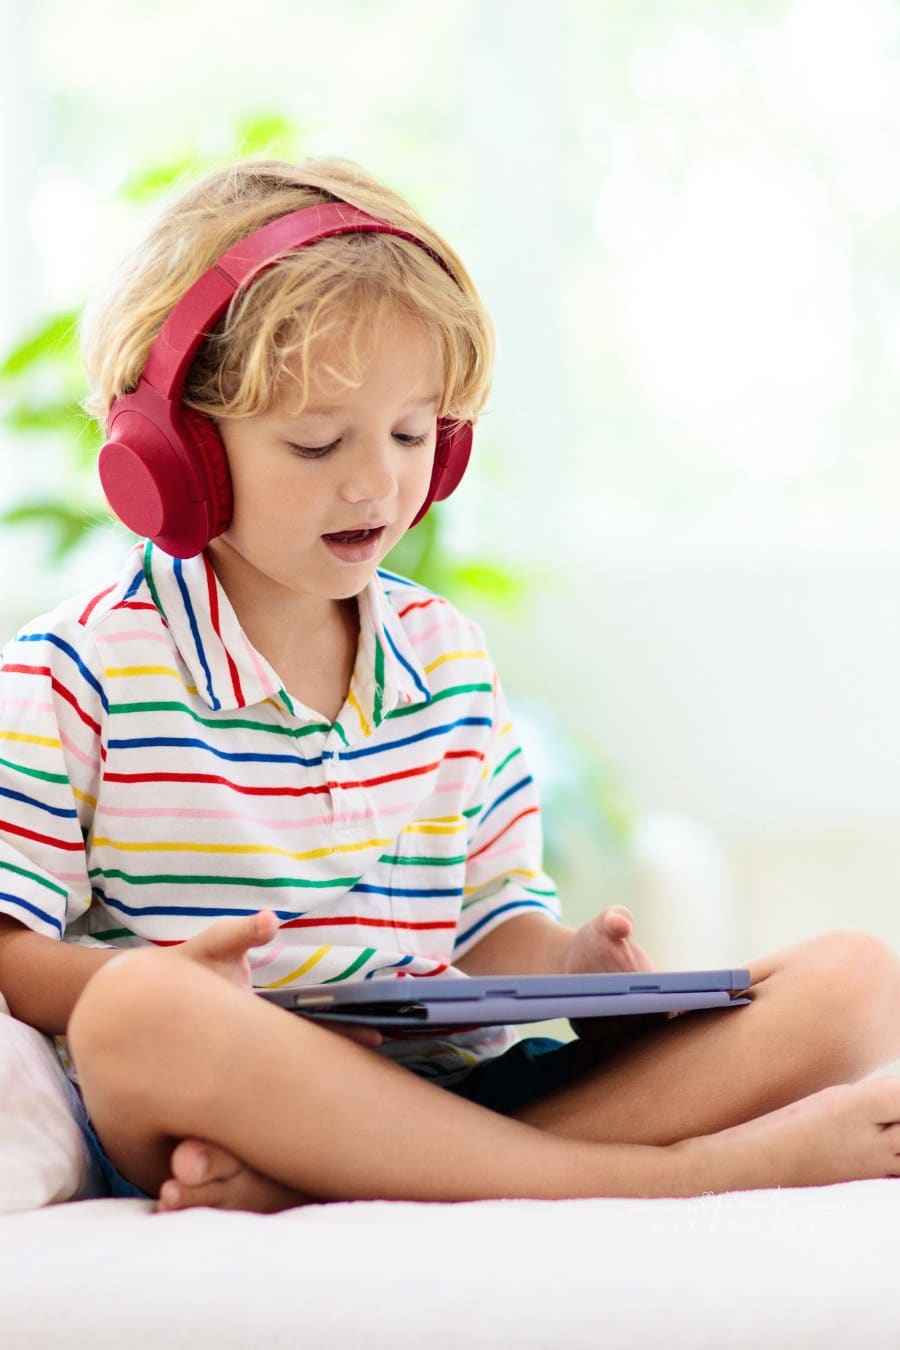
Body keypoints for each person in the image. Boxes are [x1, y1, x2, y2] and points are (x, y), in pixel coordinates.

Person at [0, 157, 898, 1213]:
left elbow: (490, 922)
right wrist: (174, 981)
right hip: (223, 1092)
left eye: (412, 433)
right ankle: (672, 1176)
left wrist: (569, 965)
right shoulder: (75, 673)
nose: (377, 480)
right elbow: (15, 953)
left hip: (448, 1094)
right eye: (316, 441)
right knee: (132, 1014)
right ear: (175, 455)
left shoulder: (445, 656)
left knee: (855, 978)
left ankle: (321, 1187)